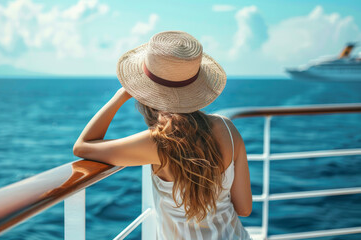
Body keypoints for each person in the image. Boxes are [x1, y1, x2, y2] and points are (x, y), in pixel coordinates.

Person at [73, 31, 253, 240]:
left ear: (144, 91)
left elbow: (83, 146)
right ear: (196, 85)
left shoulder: (158, 142)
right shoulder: (228, 129)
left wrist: (119, 97)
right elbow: (245, 208)